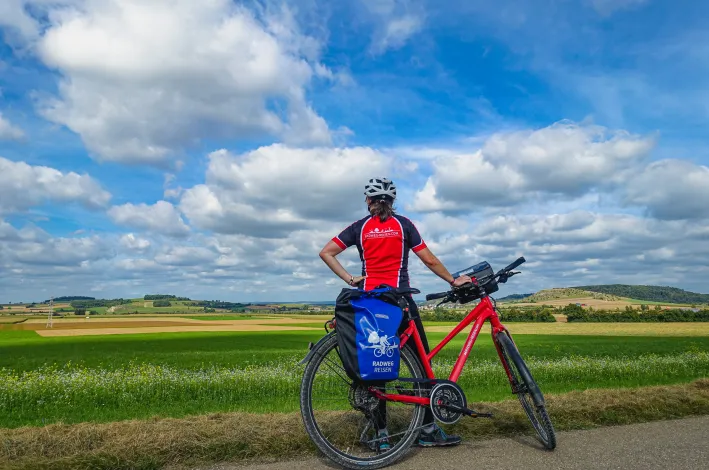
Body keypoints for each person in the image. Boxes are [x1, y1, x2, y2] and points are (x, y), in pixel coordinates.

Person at [319, 176, 472, 450]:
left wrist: (350, 278)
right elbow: (429, 259)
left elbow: (326, 252)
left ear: (368, 201)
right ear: (392, 201)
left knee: (375, 366)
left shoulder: (358, 228)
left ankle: (382, 436)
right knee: (422, 365)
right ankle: (427, 429)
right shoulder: (404, 225)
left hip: (370, 303)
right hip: (400, 302)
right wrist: (453, 280)